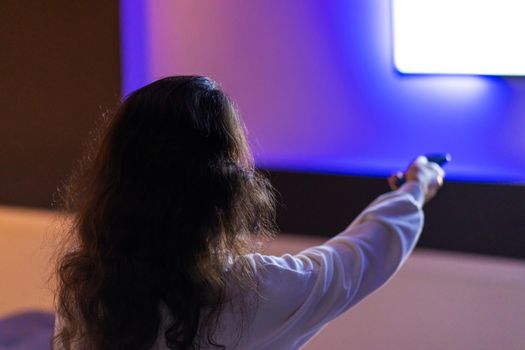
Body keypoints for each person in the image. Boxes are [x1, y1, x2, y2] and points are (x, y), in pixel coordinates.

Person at [53, 76, 445, 350]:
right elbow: (358, 259)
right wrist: (415, 189)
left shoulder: (86, 287)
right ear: (220, 187)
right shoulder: (249, 292)